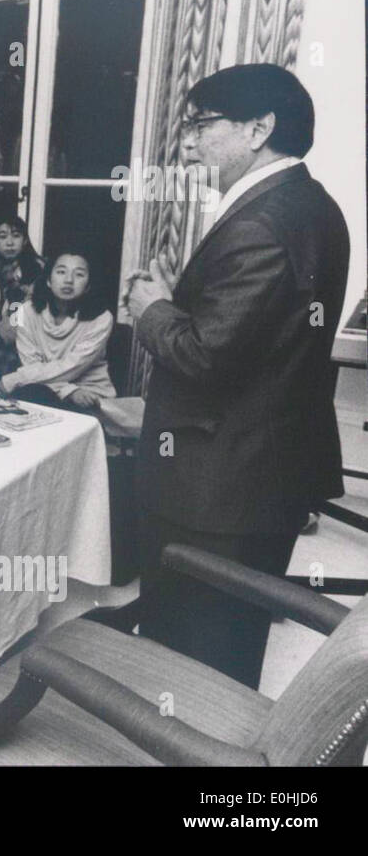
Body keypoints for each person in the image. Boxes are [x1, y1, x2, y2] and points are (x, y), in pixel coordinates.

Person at [125, 64, 350, 689]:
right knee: (229, 648)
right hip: (261, 475)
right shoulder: (314, 205)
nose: (188, 143)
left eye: (200, 125)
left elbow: (204, 357)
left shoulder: (258, 222)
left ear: (259, 129)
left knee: (187, 658)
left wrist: (153, 311)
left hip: (216, 488)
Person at [0, 250, 115, 410]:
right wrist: (69, 391)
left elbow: (73, 366)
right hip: (42, 387)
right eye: (61, 272)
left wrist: (15, 379)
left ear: (88, 285)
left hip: (88, 393)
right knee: (30, 397)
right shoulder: (26, 311)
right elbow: (31, 365)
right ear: (48, 280)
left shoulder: (102, 318)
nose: (68, 280)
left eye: (79, 274)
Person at [0, 214, 46, 378]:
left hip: (24, 339)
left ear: (25, 241)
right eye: (2, 236)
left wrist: (0, 335)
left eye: (16, 236)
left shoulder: (39, 270)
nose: (9, 242)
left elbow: (28, 314)